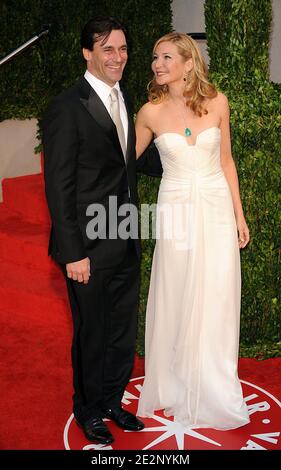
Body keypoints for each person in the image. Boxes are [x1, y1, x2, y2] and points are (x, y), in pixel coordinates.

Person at [43, 17, 162, 445]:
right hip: (88, 247)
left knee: (120, 330)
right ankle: (88, 409)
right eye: (107, 49)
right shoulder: (66, 107)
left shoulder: (125, 97)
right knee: (91, 331)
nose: (118, 57)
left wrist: (181, 147)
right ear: (87, 53)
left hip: (126, 233)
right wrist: (73, 252)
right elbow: (58, 186)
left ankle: (113, 399)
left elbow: (128, 159)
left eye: (123, 49)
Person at [135, 32, 250, 430]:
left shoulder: (218, 102)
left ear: (188, 63)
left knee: (216, 292)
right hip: (176, 210)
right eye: (154, 58)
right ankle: (173, 380)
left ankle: (213, 382)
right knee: (176, 289)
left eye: (166, 57)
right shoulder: (149, 111)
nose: (157, 64)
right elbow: (121, 159)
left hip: (217, 206)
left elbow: (227, 161)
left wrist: (239, 215)